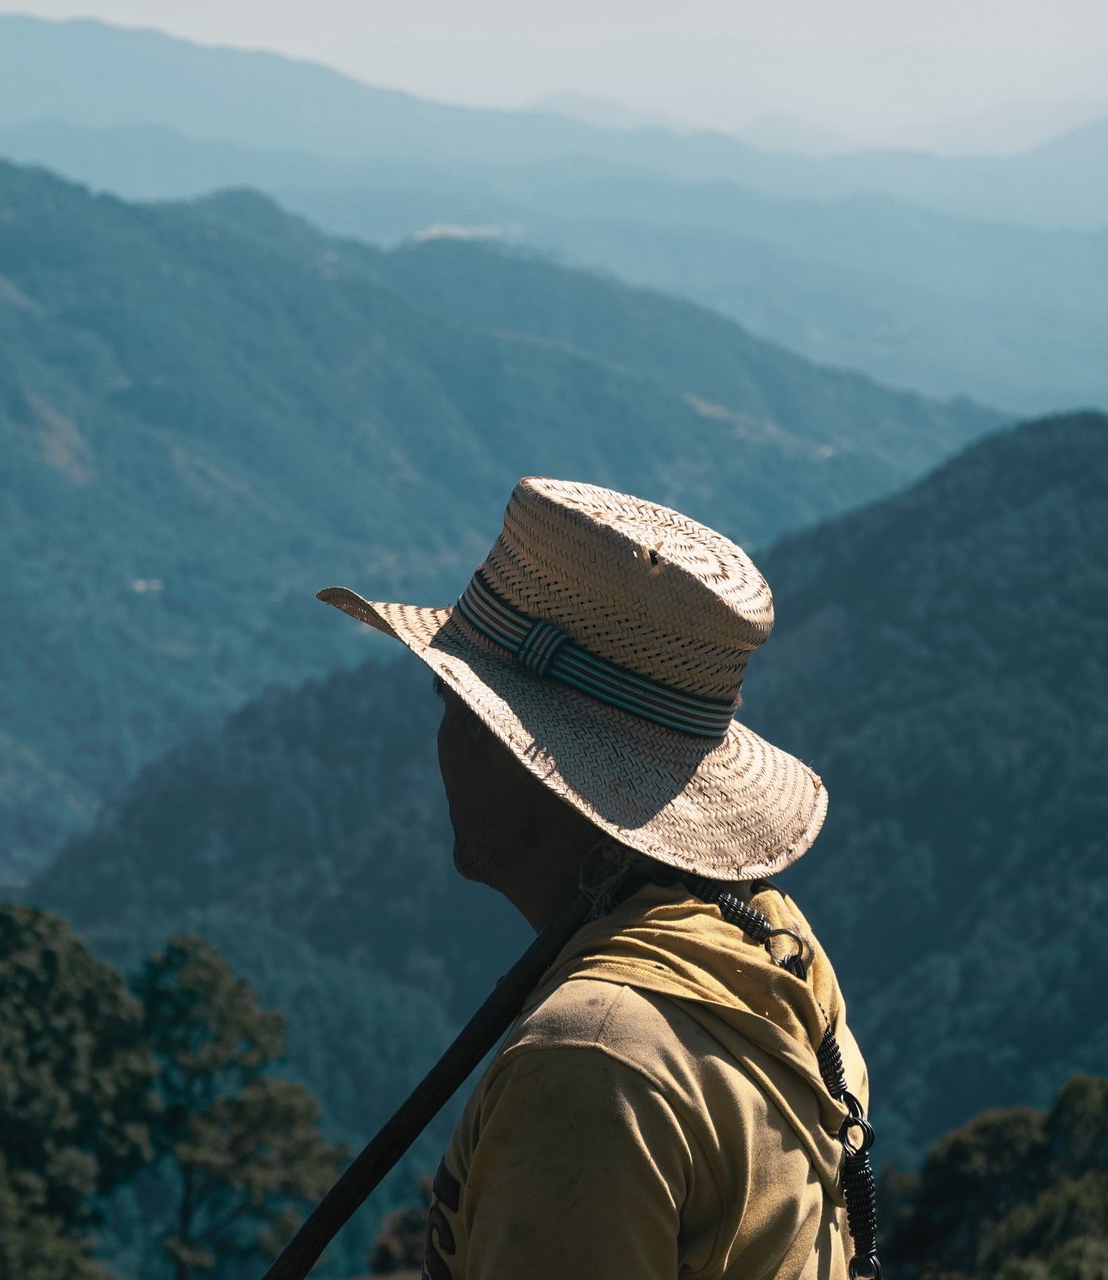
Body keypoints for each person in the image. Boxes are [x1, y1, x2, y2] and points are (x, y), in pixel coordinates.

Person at [318, 477, 878, 1280]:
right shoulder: (771, 947)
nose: (439, 739)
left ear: (509, 742)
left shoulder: (589, 1063)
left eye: (451, 697)